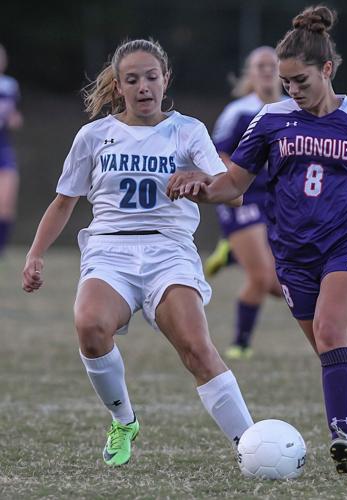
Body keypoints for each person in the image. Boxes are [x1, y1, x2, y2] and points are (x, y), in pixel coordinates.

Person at [167, 5, 347, 474]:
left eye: (302, 81)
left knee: (332, 330)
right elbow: (232, 185)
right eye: (286, 82)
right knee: (340, 357)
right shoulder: (270, 121)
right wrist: (199, 183)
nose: (293, 90)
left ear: (328, 69)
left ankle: (341, 436)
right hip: (295, 256)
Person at [22, 38, 254, 467]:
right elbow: (63, 202)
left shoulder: (188, 130)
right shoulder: (94, 136)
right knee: (89, 326)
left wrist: (197, 179)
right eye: (133, 79)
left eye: (151, 77)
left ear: (165, 80)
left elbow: (232, 193)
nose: (144, 86)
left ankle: (250, 447)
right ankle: (123, 420)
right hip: (110, 252)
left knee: (197, 350)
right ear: (119, 85)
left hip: (169, 252)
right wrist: (36, 254)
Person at [207, 46, 284, 360]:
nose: (267, 71)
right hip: (243, 197)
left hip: (276, 201)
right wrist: (235, 183)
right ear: (250, 74)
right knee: (262, 277)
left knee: (282, 287)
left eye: (272, 65)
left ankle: (232, 254)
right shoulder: (238, 111)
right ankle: (240, 343)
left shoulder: (292, 109)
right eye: (260, 66)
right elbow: (217, 154)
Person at [0, 44, 23, 256]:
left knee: (6, 202)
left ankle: (1, 249)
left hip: (3, 146)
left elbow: (14, 116)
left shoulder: (9, 85)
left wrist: (14, 119)